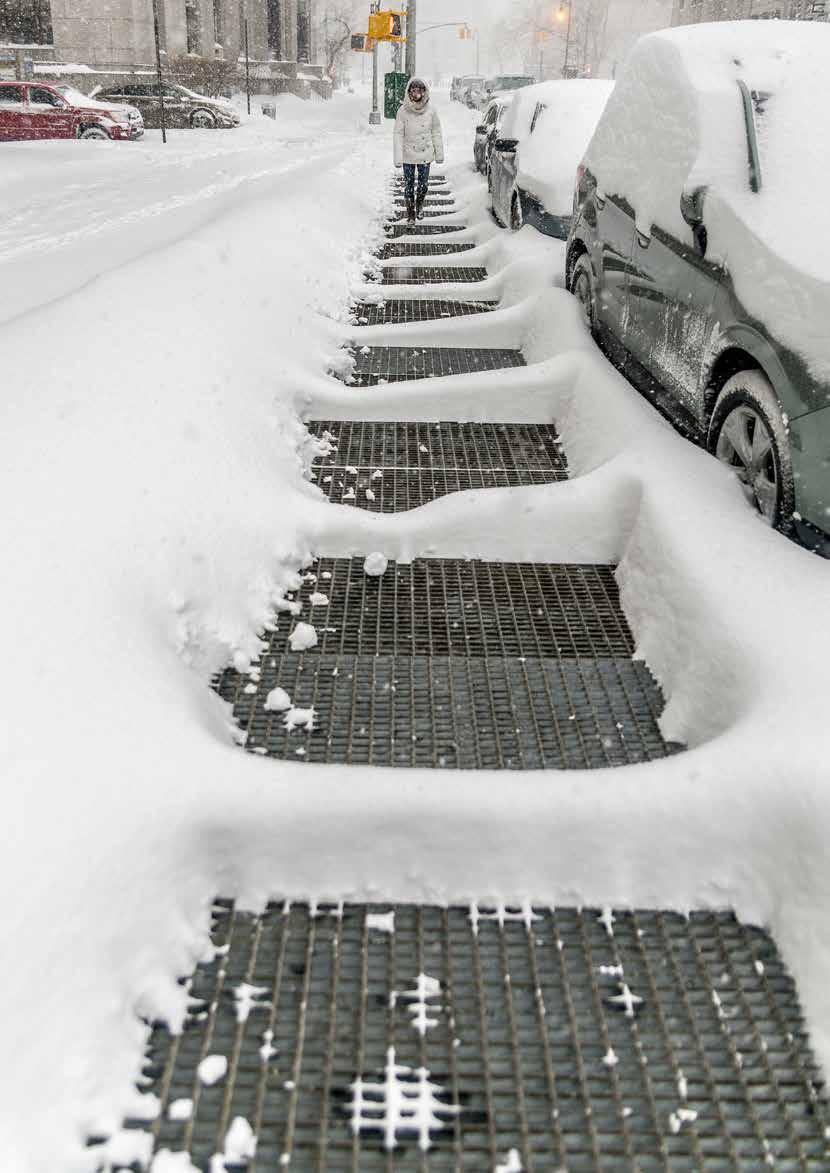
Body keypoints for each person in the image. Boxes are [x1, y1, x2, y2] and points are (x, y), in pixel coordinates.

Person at [393, 77, 444, 223]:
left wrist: (439, 153)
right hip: (408, 154)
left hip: (425, 153)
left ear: (424, 92)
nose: (416, 94)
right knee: (409, 185)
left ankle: (420, 204)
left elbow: (436, 131)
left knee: (423, 185)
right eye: (413, 91)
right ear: (408, 92)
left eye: (419, 91)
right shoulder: (402, 111)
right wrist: (398, 157)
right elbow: (398, 134)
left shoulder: (431, 111)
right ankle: (410, 214)